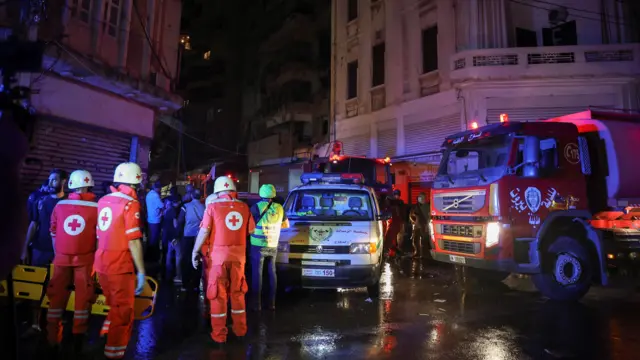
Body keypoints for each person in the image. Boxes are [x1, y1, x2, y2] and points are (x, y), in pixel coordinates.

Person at [191, 176, 255, 348]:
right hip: (238, 258)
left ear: (217, 192)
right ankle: (240, 330)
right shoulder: (244, 207)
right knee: (238, 293)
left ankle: (219, 335)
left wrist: (195, 251)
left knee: (218, 296)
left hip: (217, 259)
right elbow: (250, 230)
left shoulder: (212, 207)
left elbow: (204, 232)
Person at [95, 162, 146, 360]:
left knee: (113, 304)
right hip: (120, 265)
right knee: (123, 312)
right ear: (136, 181)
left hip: (102, 263)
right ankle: (113, 353)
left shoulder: (103, 200)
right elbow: (133, 241)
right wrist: (141, 271)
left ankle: (105, 333)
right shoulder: (130, 203)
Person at [45, 169, 98, 352]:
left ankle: (52, 340)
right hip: (85, 259)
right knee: (83, 298)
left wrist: (59, 252)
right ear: (88, 185)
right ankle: (77, 339)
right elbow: (99, 236)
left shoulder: (59, 205)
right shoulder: (96, 207)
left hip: (61, 259)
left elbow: (52, 231)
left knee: (56, 298)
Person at [21, 169, 68, 337]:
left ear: (64, 181)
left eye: (54, 180)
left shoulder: (69, 202)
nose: (50, 183)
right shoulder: (41, 201)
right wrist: (25, 248)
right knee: (36, 288)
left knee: (58, 288)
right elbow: (33, 224)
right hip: (39, 249)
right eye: (49, 179)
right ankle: (34, 323)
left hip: (61, 252)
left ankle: (54, 324)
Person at [249, 184, 289, 311]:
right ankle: (272, 304)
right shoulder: (279, 208)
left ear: (261, 194)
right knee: (272, 272)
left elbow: (249, 226)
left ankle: (257, 304)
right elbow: (286, 225)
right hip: (273, 245)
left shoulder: (256, 207)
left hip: (257, 245)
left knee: (257, 274)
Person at [178, 188, 205, 291]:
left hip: (187, 236)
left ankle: (185, 284)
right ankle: (196, 285)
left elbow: (180, 221)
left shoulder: (186, 206)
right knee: (198, 259)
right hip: (199, 237)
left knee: (186, 259)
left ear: (192, 196)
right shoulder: (204, 207)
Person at [162, 198, 180, 282]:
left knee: (169, 254)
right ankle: (178, 275)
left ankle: (168, 273)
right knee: (178, 255)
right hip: (173, 236)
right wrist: (176, 236)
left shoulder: (166, 211)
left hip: (168, 235)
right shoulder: (173, 211)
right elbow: (175, 224)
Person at [145, 181, 163, 263]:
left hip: (150, 219)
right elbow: (162, 206)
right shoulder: (156, 196)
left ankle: (149, 256)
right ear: (157, 188)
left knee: (150, 237)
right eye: (159, 188)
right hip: (155, 220)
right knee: (154, 239)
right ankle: (152, 258)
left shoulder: (149, 194)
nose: (160, 190)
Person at [385, 189, 406, 258]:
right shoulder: (394, 203)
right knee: (393, 239)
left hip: (397, 223)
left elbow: (402, 212)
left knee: (398, 239)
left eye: (397, 195)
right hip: (395, 222)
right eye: (395, 195)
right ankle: (394, 253)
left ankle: (397, 253)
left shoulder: (399, 202)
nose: (397, 196)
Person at [408, 192, 430, 258]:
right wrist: (414, 222)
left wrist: (427, 226)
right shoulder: (415, 206)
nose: (421, 199)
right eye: (420, 197)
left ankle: (425, 254)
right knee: (415, 241)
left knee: (425, 241)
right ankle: (417, 252)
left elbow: (430, 217)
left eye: (423, 197)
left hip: (424, 226)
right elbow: (411, 215)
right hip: (417, 226)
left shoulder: (427, 206)